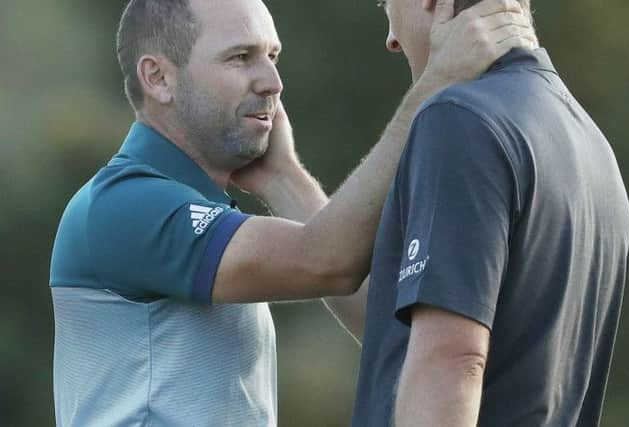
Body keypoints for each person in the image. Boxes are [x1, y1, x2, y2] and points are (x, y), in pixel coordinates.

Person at [49, 0, 535, 425]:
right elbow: (324, 260)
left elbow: (387, 323)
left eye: (272, 56)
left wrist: (282, 176)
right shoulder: (124, 204)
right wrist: (439, 82)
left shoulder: (200, 208)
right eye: (241, 58)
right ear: (158, 78)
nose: (272, 82)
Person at [347, 0, 629, 426]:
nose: (391, 39)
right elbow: (399, 327)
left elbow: (452, 362)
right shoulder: (594, 147)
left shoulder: (458, 119)